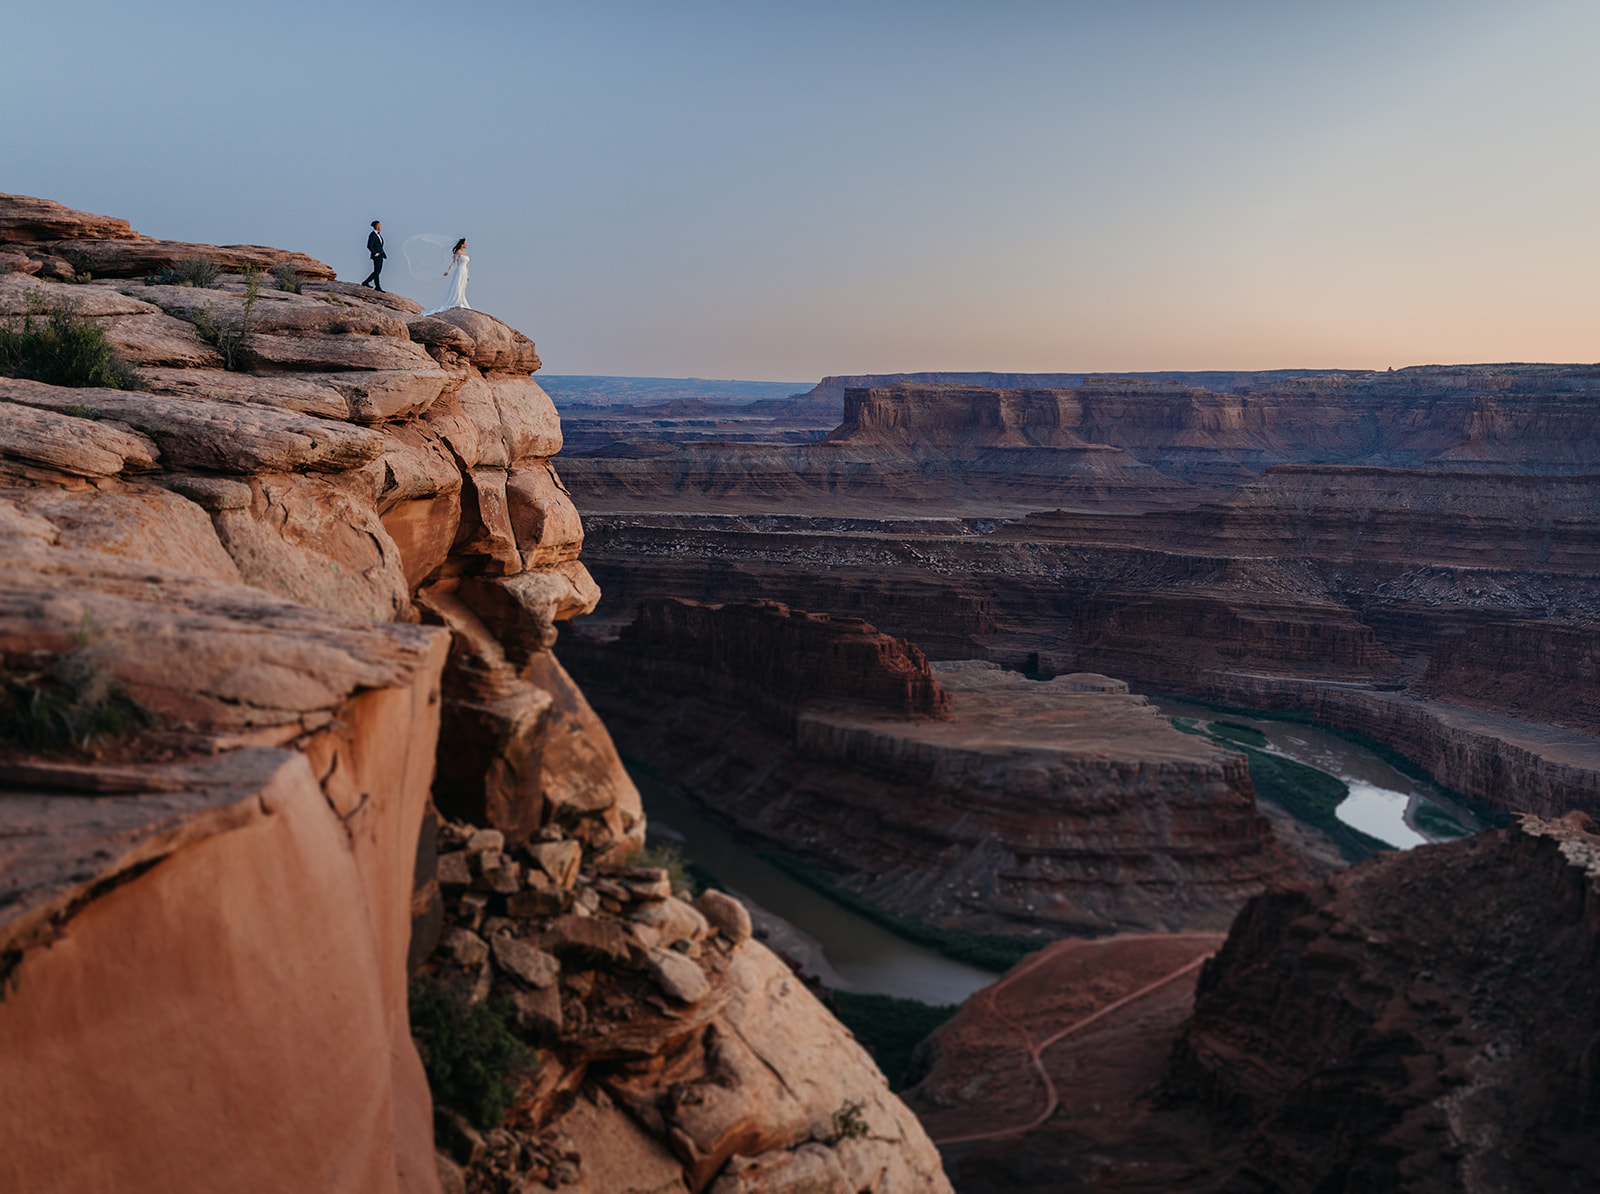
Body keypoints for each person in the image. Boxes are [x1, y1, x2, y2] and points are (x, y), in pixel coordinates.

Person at [421, 238, 470, 315]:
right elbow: (453, 262)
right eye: (465, 243)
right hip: (459, 270)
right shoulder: (458, 252)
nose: (466, 244)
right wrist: (448, 270)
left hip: (464, 272)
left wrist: (468, 275)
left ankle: (461, 300)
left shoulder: (465, 253)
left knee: (463, 287)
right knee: (458, 286)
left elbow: (466, 265)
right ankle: (456, 300)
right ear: (462, 244)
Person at [362, 220, 386, 291]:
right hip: (377, 255)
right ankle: (369, 283)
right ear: (377, 226)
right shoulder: (372, 235)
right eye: (380, 225)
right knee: (377, 271)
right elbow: (369, 245)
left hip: (381, 255)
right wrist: (375, 253)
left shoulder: (379, 235)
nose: (381, 227)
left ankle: (372, 284)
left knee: (377, 271)